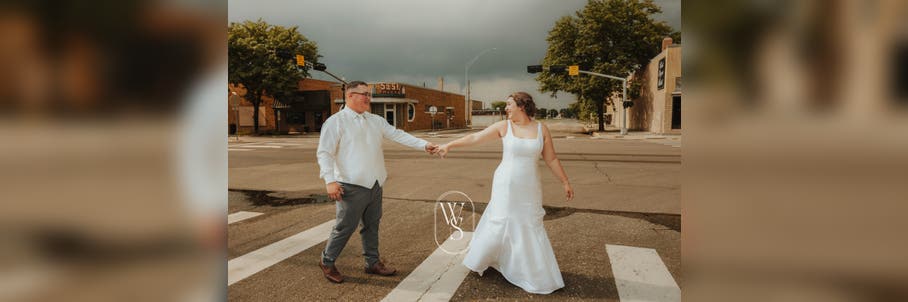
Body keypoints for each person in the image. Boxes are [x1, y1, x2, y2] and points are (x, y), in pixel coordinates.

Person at [436, 92, 574, 294]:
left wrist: (565, 181)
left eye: (509, 105)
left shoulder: (540, 128)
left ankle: (530, 271)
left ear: (522, 106)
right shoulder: (504, 127)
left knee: (528, 223)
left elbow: (551, 159)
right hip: (505, 184)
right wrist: (449, 145)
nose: (506, 108)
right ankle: (487, 257)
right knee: (501, 221)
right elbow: (475, 137)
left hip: (529, 186)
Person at [316, 81, 440, 283]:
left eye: (369, 94)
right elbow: (324, 153)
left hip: (375, 184)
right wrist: (329, 181)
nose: (367, 97)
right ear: (349, 96)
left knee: (371, 226)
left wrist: (424, 145)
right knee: (344, 227)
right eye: (362, 94)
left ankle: (372, 263)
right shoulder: (335, 122)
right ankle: (327, 261)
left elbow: (398, 135)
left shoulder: (375, 120)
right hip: (350, 185)